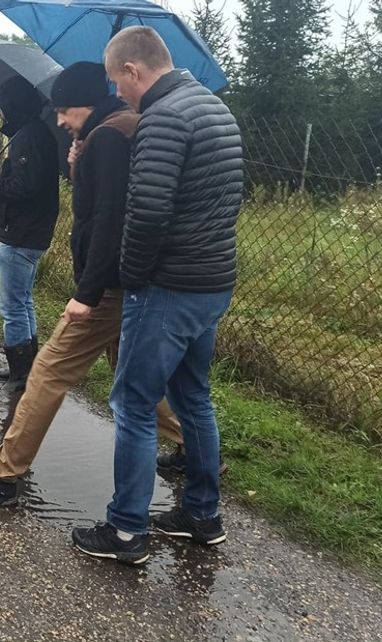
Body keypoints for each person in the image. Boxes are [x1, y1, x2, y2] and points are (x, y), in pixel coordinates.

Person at [0, 62, 183, 507]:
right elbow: (110, 200)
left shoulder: (111, 135)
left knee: (48, 371)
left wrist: (86, 294)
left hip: (106, 287)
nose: (59, 119)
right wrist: (79, 164)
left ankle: (2, 473)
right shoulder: (117, 130)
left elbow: (109, 221)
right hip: (128, 283)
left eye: (65, 111)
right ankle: (189, 445)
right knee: (131, 372)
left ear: (86, 104)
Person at [71, 27, 244, 565]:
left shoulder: (164, 120)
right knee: (194, 398)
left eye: (116, 82)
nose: (117, 94)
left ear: (133, 71)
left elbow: (146, 215)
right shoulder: (216, 110)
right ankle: (201, 515)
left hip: (167, 288)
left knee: (134, 405)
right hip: (212, 284)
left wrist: (133, 279)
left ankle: (125, 532)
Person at [0, 76, 59, 391]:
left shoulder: (28, 137)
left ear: (13, 106)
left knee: (12, 305)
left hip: (21, 234)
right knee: (24, 300)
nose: (0, 112)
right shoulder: (31, 133)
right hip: (29, 233)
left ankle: (21, 373)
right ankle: (29, 367)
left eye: (3, 106)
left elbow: (23, 187)